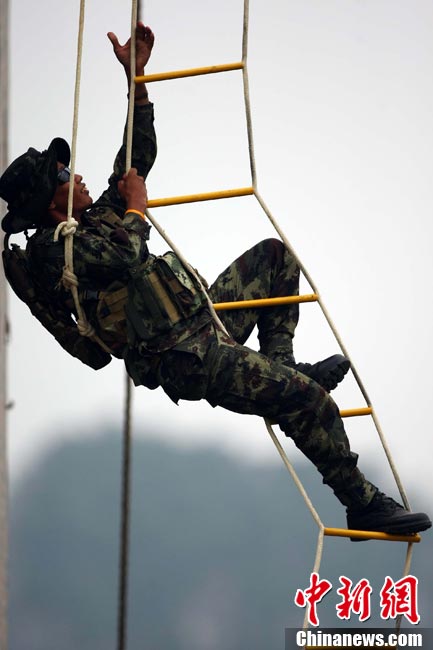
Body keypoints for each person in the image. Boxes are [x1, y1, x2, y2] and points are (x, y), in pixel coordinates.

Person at [0, 23, 430, 539]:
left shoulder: (91, 222)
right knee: (308, 401)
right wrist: (136, 209)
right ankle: (361, 504)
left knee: (275, 258)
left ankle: (280, 361)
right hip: (185, 356)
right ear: (50, 201)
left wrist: (137, 83)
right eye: (64, 175)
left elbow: (137, 160)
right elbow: (126, 255)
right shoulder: (55, 251)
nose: (77, 176)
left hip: (204, 320)